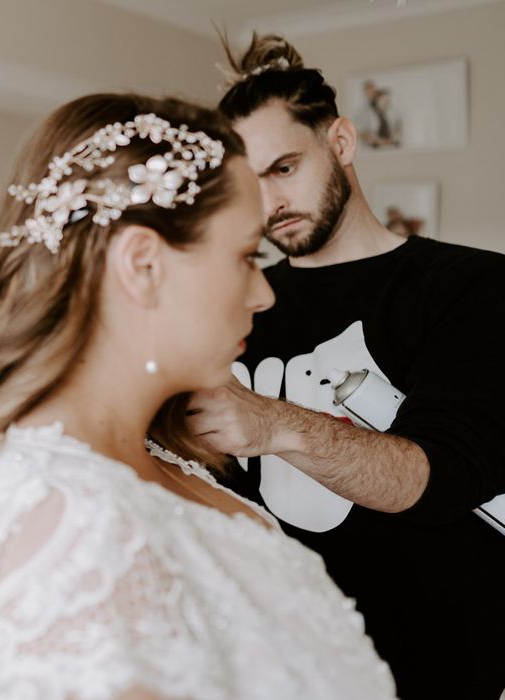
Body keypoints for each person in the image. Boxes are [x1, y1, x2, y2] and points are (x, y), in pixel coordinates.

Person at [0, 94, 397, 700]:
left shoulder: (154, 467)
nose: (264, 294)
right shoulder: (64, 530)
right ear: (143, 265)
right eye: (243, 257)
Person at [187, 31, 505, 699]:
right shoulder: (238, 302)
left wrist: (274, 425)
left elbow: (435, 479)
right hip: (273, 670)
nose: (271, 204)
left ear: (341, 143)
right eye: (251, 183)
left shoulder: (471, 288)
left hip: (433, 673)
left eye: (284, 168)